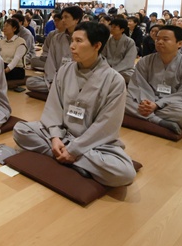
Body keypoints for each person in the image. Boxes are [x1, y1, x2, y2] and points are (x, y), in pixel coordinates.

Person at [13, 22, 136, 186]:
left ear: (97, 46)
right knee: (21, 130)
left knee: (124, 173)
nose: (72, 46)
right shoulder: (65, 70)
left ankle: (65, 155)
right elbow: (54, 107)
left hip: (94, 143)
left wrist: (75, 149)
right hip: (63, 133)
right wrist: (55, 136)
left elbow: (106, 125)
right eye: (72, 40)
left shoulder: (114, 80)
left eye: (79, 41)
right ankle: (73, 159)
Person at [124, 25, 182, 135]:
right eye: (157, 39)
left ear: (180, 43)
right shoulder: (145, 61)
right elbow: (139, 85)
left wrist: (157, 105)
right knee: (120, 98)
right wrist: (147, 103)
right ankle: (157, 120)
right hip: (146, 100)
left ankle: (146, 114)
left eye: (165, 39)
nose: (159, 42)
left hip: (174, 105)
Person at [26, 6, 82, 93]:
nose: (63, 20)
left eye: (66, 17)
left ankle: (60, 90)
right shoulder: (56, 37)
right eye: (62, 17)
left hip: (76, 78)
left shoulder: (85, 39)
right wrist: (52, 81)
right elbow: (50, 61)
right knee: (30, 82)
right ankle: (60, 90)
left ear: (76, 19)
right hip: (58, 77)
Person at [103, 17, 137, 83]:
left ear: (122, 29)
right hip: (108, 67)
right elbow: (103, 56)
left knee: (131, 77)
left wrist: (114, 70)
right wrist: (107, 68)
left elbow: (128, 60)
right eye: (111, 27)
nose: (111, 29)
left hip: (124, 69)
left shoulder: (130, 42)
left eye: (114, 27)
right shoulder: (108, 40)